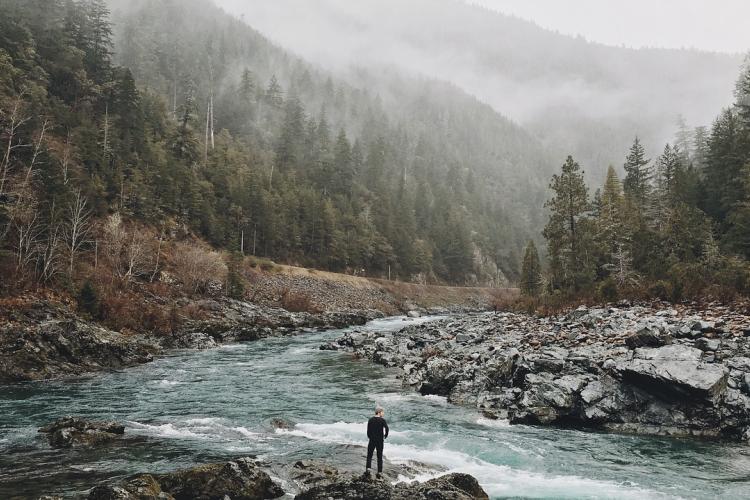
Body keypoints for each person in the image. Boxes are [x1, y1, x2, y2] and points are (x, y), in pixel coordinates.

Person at [365, 406, 389, 478]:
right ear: (379, 412)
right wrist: (385, 435)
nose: (383, 413)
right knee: (379, 456)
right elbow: (387, 429)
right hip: (380, 441)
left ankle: (368, 469)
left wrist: (370, 437)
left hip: (372, 440)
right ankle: (379, 472)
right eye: (382, 412)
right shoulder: (382, 420)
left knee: (369, 455)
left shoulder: (371, 420)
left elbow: (368, 431)